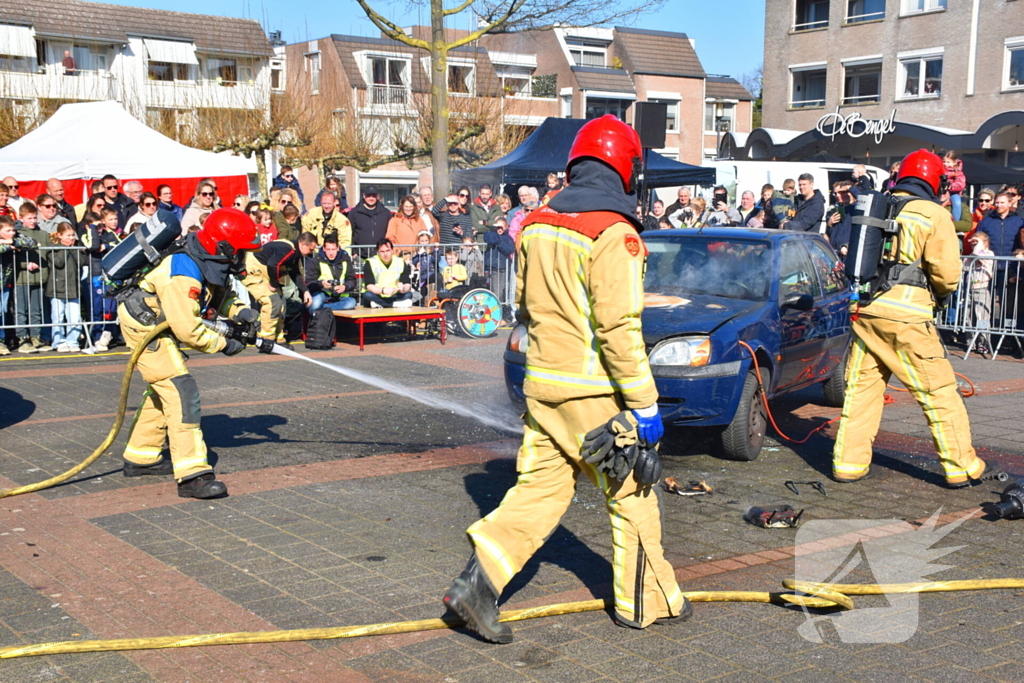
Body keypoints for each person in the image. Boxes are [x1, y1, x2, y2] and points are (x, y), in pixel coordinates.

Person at [443, 115, 688, 644]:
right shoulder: (615, 234)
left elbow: (528, 304)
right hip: (592, 391)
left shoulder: (535, 222)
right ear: (624, 170)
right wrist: (644, 405)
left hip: (543, 384)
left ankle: (477, 584)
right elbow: (619, 327)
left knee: (540, 492)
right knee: (633, 494)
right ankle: (644, 603)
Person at [833, 149, 990, 488]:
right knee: (939, 393)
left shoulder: (880, 205)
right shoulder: (933, 214)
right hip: (907, 317)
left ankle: (848, 463)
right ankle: (961, 467)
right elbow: (947, 275)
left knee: (863, 390)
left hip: (865, 311)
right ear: (934, 181)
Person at [118, 208, 263, 499]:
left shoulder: (206, 256)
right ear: (224, 246)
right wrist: (225, 344)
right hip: (145, 327)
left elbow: (218, 292)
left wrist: (240, 311)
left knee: (164, 389)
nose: (243, 258)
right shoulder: (182, 272)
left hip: (161, 322)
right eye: (240, 251)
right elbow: (188, 330)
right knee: (181, 391)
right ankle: (192, 475)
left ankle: (141, 457)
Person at [242, 232, 315, 345]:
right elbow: (273, 264)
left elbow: (295, 274)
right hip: (253, 269)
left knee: (281, 303)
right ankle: (266, 341)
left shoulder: (295, 253)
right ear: (303, 245)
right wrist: (274, 284)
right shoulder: (288, 249)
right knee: (272, 302)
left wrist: (305, 291)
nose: (311, 253)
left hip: (264, 272)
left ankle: (279, 338)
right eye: (311, 249)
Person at [83, 208, 123, 351]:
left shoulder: (108, 235)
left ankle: (107, 336)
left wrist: (105, 245)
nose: (99, 230)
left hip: (108, 276)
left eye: (100, 226)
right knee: (96, 309)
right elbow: (93, 246)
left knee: (110, 309)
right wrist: (92, 229)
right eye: (96, 227)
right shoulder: (86, 235)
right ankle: (95, 336)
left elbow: (119, 245)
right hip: (94, 277)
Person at [12, 203, 50, 353]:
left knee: (36, 310)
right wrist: (24, 265)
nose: (33, 221)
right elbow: (13, 257)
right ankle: (22, 338)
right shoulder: (18, 234)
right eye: (29, 218)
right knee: (21, 310)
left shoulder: (43, 234)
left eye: (35, 217)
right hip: (22, 278)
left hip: (39, 277)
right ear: (21, 218)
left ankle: (36, 337)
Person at [46, 224, 83, 352]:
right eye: (68, 235)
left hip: (73, 287)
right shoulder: (53, 248)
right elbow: (58, 263)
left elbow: (81, 262)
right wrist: (64, 248)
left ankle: (73, 340)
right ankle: (59, 341)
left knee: (75, 316)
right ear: (59, 235)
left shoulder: (75, 247)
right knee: (58, 316)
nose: (71, 238)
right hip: (57, 287)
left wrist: (73, 249)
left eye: (72, 235)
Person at [305, 235, 356, 312]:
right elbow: (309, 282)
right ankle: (318, 315)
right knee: (315, 304)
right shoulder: (316, 260)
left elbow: (352, 279)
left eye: (333, 249)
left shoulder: (345, 258)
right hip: (323, 294)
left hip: (340, 296)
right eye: (328, 249)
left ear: (338, 248)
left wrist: (345, 287)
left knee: (351, 303)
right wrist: (321, 284)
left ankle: (323, 308)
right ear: (324, 249)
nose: (331, 253)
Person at [964, 231, 994, 356]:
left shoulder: (988, 253)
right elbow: (965, 266)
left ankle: (983, 343)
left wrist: (978, 245)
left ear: (984, 243)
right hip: (969, 289)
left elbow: (978, 255)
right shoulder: (972, 254)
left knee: (982, 317)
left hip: (982, 289)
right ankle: (970, 341)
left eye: (976, 243)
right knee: (968, 317)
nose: (973, 246)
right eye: (972, 243)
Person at [361, 238, 413, 308]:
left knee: (409, 294)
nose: (385, 254)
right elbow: (369, 285)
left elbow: (407, 283)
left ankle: (381, 304)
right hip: (378, 294)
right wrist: (383, 291)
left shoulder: (400, 261)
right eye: (382, 251)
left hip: (395, 294)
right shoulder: (370, 262)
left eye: (387, 251)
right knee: (367, 295)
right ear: (378, 252)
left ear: (392, 250)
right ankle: (394, 304)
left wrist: (403, 289)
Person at [483, 217, 515, 301]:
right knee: (493, 291)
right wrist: (493, 229)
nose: (499, 229)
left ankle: (499, 307)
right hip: (492, 268)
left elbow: (509, 249)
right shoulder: (490, 234)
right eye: (498, 227)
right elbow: (490, 239)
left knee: (501, 291)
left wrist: (499, 242)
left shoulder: (508, 238)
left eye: (501, 227)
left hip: (503, 268)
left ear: (506, 227)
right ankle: (494, 307)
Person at [825, 180, 856, 259]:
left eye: (841, 192)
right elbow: (830, 234)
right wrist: (829, 224)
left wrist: (847, 246)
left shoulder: (856, 209)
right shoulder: (835, 209)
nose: (837, 195)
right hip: (835, 253)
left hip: (848, 253)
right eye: (835, 193)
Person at [411, 230, 439, 300]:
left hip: (430, 274)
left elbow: (436, 259)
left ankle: (437, 294)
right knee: (422, 290)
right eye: (422, 241)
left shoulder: (431, 251)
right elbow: (414, 261)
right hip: (421, 276)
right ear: (418, 241)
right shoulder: (416, 251)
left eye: (426, 241)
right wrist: (419, 255)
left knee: (439, 277)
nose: (424, 243)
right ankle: (422, 304)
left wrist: (436, 250)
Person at [943, 151, 966, 222]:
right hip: (941, 191)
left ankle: (956, 221)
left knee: (957, 202)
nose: (945, 164)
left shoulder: (958, 172)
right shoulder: (941, 170)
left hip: (953, 193)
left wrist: (950, 186)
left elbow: (961, 184)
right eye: (944, 161)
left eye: (948, 162)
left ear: (954, 163)